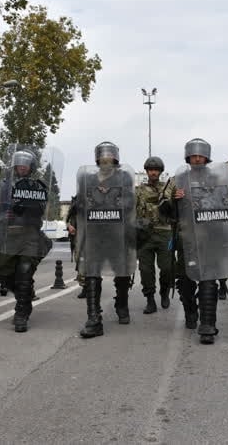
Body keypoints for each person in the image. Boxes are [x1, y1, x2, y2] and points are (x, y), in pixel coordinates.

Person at [159, 138, 228, 345]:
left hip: (211, 238)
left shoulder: (218, 178)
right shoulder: (177, 179)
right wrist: (174, 199)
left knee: (209, 279)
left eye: (200, 156)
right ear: (188, 157)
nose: (197, 159)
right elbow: (162, 209)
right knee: (186, 282)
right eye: (193, 156)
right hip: (186, 238)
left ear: (206, 157)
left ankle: (208, 324)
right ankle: (191, 311)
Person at [0, 147, 53, 333]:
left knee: (24, 273)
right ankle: (26, 293)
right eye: (19, 164)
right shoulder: (5, 184)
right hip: (8, 235)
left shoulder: (37, 185)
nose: (22, 167)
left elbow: (42, 207)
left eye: (26, 164)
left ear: (31, 167)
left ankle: (21, 313)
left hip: (29, 234)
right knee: (6, 277)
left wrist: (26, 208)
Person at [75, 141, 136, 338]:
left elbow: (129, 202)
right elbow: (81, 203)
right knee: (92, 274)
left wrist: (110, 206)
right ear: (98, 159)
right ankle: (94, 318)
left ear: (116, 159)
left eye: (110, 157)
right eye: (103, 157)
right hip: (95, 234)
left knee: (122, 273)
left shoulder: (124, 178)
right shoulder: (88, 179)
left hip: (117, 234)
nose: (106, 161)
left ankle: (122, 304)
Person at [136, 156, 174, 313]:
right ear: (146, 171)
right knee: (146, 270)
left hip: (164, 233)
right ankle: (150, 299)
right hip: (145, 235)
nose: (153, 172)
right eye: (151, 170)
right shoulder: (138, 191)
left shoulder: (168, 189)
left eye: (156, 170)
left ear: (160, 172)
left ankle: (164, 291)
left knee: (167, 268)